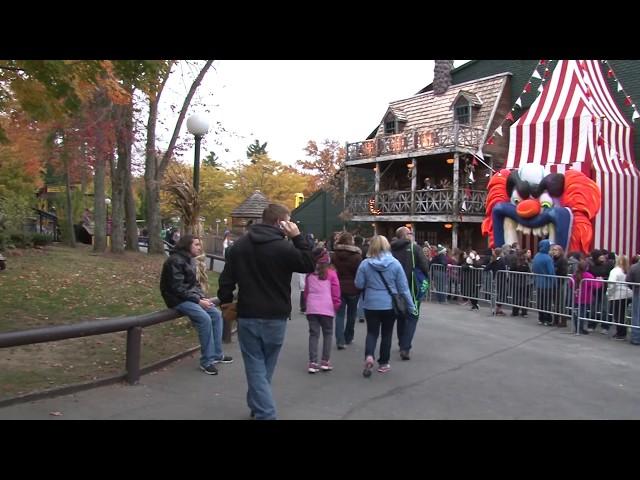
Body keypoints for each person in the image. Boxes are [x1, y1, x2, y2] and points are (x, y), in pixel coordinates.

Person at [217, 203, 314, 420]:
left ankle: (258, 404)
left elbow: (226, 281)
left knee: (255, 366)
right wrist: (298, 238)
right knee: (265, 367)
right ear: (281, 222)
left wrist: (225, 303)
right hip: (275, 315)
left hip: (248, 313)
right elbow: (308, 265)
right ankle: (266, 414)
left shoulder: (239, 247)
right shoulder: (285, 248)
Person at [160, 235, 232, 376]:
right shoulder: (174, 261)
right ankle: (206, 361)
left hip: (190, 297)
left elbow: (194, 284)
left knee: (216, 315)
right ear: (187, 246)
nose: (200, 248)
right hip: (177, 299)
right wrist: (198, 301)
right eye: (196, 245)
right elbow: (177, 287)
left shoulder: (190, 260)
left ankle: (217, 354)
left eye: (200, 244)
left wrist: (202, 298)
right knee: (204, 318)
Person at [355, 235, 415, 377]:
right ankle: (383, 363)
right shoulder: (395, 264)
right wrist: (411, 307)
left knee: (372, 332)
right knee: (387, 334)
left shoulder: (365, 264)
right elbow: (403, 288)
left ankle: (369, 356)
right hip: (389, 304)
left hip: (371, 303)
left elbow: (359, 284)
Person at [390, 226, 429, 361]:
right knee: (412, 317)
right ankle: (405, 348)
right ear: (403, 235)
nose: (411, 234)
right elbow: (425, 266)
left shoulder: (390, 249)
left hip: (395, 287)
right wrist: (424, 278)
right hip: (412, 286)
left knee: (401, 315)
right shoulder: (414, 248)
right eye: (409, 233)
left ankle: (402, 343)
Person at [304, 247, 341, 373]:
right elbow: (336, 293)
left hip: (312, 307)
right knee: (328, 334)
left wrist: (307, 304)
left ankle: (312, 362)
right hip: (327, 307)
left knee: (313, 335)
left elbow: (306, 292)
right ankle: (325, 361)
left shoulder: (309, 274)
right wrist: (336, 306)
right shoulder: (331, 274)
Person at [331, 232, 363, 348]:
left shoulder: (334, 255)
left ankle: (340, 340)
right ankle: (348, 337)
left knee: (339, 315)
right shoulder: (357, 256)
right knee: (351, 314)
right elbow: (359, 273)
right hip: (353, 288)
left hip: (338, 286)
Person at [608, 255, 633, 340]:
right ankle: (622, 332)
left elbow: (612, 283)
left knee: (618, 315)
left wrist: (609, 293)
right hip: (627, 294)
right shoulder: (626, 270)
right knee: (622, 315)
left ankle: (621, 333)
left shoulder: (615, 271)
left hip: (617, 295)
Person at [532, 240, 556, 326]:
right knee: (547, 302)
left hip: (538, 282)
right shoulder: (548, 258)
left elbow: (533, 269)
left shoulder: (536, 256)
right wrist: (555, 283)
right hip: (547, 283)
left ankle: (541, 318)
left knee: (540, 301)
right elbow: (551, 272)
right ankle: (548, 319)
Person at [626, 256, 640, 345]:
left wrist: (633, 288)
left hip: (637, 292)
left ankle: (636, 337)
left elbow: (628, 280)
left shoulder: (634, 267)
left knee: (636, 315)